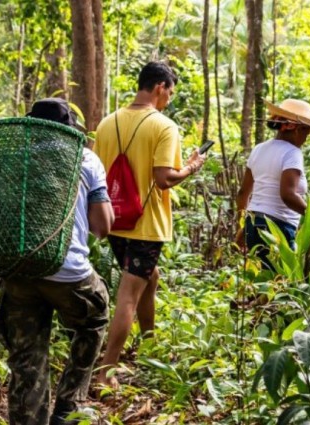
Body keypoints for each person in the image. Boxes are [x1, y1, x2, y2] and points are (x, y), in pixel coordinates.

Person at [0, 98, 114, 425]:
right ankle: (68, 405)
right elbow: (103, 226)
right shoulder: (86, 158)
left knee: (27, 360)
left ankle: (29, 420)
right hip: (69, 275)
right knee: (95, 317)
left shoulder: (13, 158)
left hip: (18, 272)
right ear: (69, 130)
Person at [93, 61, 205, 388]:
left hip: (116, 222)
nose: (169, 99)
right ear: (159, 88)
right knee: (128, 294)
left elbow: (99, 175)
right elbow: (164, 178)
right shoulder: (163, 126)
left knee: (149, 278)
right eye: (169, 92)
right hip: (145, 224)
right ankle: (105, 373)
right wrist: (191, 167)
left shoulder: (107, 123)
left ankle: (149, 345)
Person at [235, 99, 310, 269]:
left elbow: (243, 193)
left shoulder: (258, 149)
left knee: (263, 283)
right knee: (281, 284)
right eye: (306, 133)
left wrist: (243, 225)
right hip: (278, 227)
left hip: (253, 224)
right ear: (296, 129)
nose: (305, 139)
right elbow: (288, 194)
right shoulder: (292, 153)